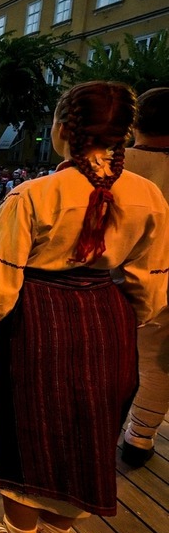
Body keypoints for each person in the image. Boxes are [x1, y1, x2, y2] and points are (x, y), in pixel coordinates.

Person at [0, 81, 169, 533]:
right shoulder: (148, 195)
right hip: (106, 315)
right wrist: (121, 323)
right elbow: (148, 280)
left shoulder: (32, 195)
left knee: (19, 424)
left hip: (35, 314)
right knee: (89, 430)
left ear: (62, 129)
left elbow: (3, 275)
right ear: (122, 132)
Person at [122, 86, 169, 467]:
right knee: (159, 364)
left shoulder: (110, 164)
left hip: (107, 281)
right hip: (166, 283)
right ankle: (140, 436)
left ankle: (94, 429)